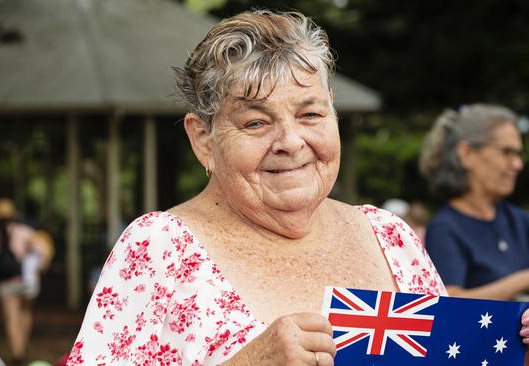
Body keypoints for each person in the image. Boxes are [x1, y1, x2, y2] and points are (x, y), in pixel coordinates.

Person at [66, 11, 526, 365]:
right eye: (255, 122)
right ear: (202, 138)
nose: (290, 142)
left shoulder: (391, 237)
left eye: (310, 115)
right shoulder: (157, 249)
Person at [420, 104, 529, 301]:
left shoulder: (519, 221)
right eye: (507, 152)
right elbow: (450, 300)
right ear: (466, 154)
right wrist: (522, 280)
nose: (518, 164)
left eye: (518, 154)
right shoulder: (445, 228)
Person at [0, 198, 46, 365]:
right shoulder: (25, 232)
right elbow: (42, 252)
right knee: (26, 313)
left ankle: (17, 352)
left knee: (11, 318)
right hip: (26, 281)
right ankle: (23, 346)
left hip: (6, 283)